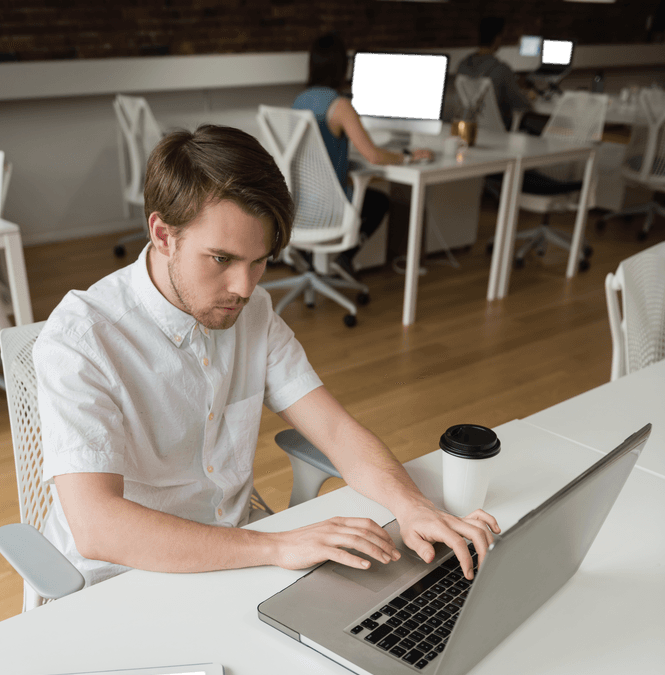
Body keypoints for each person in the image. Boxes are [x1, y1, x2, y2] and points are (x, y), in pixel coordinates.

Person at [33, 125, 499, 591]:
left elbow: (334, 429)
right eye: (221, 259)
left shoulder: (251, 312)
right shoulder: (82, 339)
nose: (245, 287)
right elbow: (97, 526)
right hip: (119, 582)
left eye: (260, 261)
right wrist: (277, 546)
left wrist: (412, 506)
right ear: (162, 234)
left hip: (232, 558)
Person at [292, 33, 434, 278]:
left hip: (300, 206)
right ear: (342, 67)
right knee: (380, 202)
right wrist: (407, 157)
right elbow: (374, 156)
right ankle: (345, 258)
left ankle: (308, 255)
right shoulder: (340, 106)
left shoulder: (299, 101)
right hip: (330, 208)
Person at [457, 16, 534, 131]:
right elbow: (522, 105)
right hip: (498, 131)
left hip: (469, 128)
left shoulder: (462, 65)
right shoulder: (501, 69)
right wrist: (529, 96)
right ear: (498, 38)